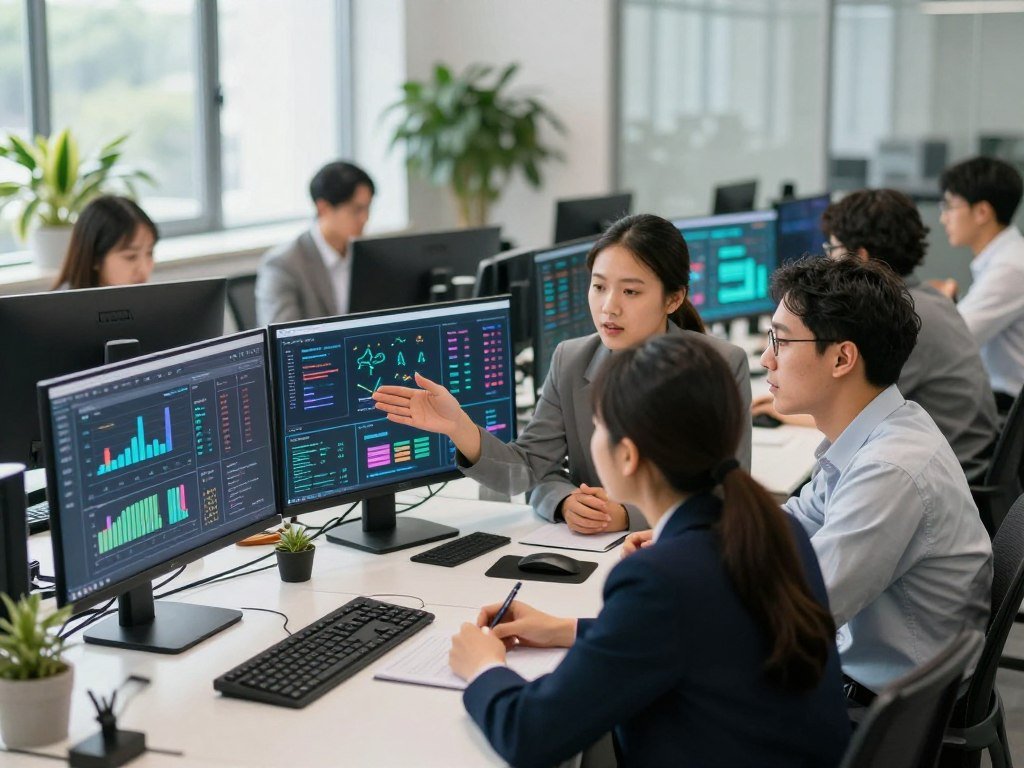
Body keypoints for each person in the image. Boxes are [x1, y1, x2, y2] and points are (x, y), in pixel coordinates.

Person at [448, 334, 851, 768]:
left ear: (627, 456)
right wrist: (566, 629)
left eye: (599, 425)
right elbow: (701, 635)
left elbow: (529, 735)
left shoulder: (661, 578)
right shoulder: (774, 527)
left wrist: (484, 668)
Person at [630, 257, 992, 701]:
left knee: (665, 700)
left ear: (842, 358)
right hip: (873, 672)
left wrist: (650, 601)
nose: (766, 359)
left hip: (885, 709)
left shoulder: (889, 469)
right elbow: (793, 524)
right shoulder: (878, 430)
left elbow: (796, 610)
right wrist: (695, 543)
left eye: (780, 341)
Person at [373, 213, 751, 535]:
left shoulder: (719, 365)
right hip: (587, 552)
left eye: (631, 292)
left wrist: (626, 515)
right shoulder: (571, 360)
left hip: (673, 552)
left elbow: (725, 493)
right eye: (599, 286)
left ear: (673, 299)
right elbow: (528, 470)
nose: (609, 307)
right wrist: (461, 428)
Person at [753, 189, 998, 483]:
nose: (828, 260)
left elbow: (855, 403)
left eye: (832, 250)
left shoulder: (897, 319)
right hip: (960, 459)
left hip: (946, 473)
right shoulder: (929, 298)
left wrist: (780, 411)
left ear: (861, 257)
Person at [934, 156, 1024, 409]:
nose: (943, 218)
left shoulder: (1010, 267)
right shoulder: (1006, 258)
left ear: (982, 211)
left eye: (950, 206)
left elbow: (954, 341)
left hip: (1009, 409)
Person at [255, 160, 374, 325]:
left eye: (368, 208)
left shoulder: (369, 256)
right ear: (323, 208)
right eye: (356, 210)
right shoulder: (283, 265)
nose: (365, 218)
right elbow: (281, 338)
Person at [51, 195, 157, 290]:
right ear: (94, 258)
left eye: (149, 253)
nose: (144, 269)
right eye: (131, 256)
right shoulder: (64, 308)